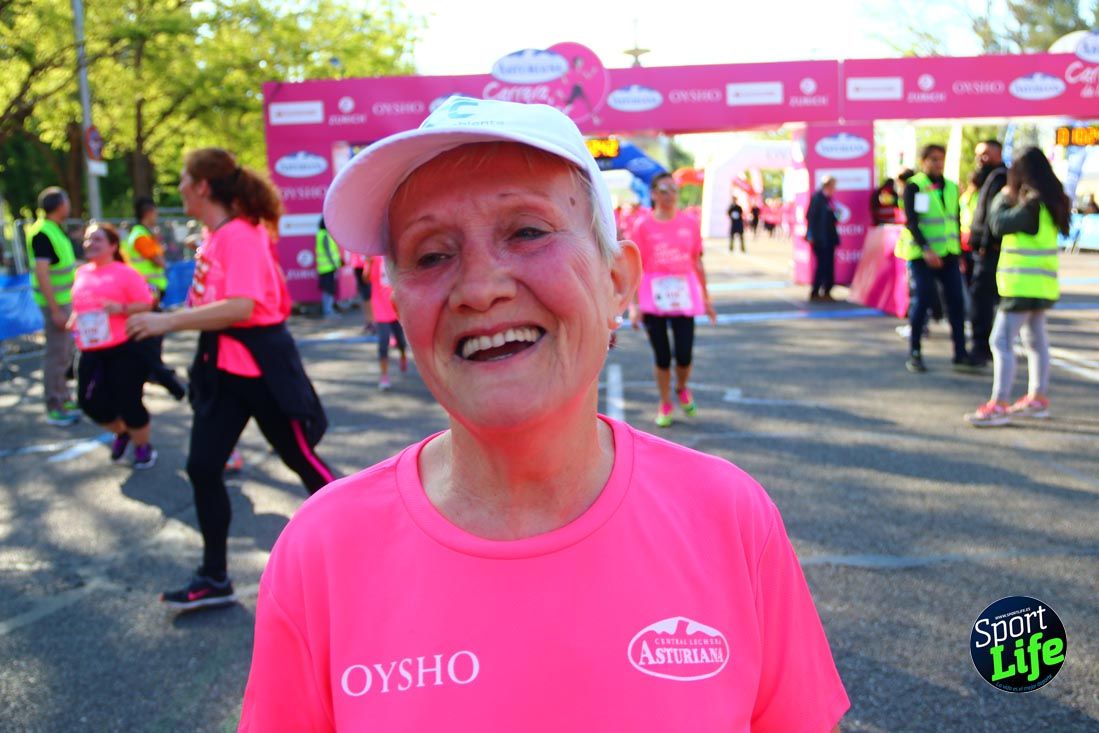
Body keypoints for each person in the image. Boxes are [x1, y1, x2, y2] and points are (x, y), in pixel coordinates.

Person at [238, 96, 847, 733]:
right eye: (430, 254)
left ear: (617, 279)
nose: (479, 288)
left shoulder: (730, 518)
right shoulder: (321, 553)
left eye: (528, 232)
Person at [126, 147, 337, 611]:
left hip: (261, 369)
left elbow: (242, 308)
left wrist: (164, 323)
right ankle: (215, 576)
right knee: (203, 468)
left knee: (302, 460)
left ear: (202, 186)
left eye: (183, 178)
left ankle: (373, 541)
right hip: (223, 369)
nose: (178, 186)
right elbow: (213, 306)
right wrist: (162, 316)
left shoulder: (239, 234)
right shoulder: (215, 235)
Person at [965, 148, 1068, 427]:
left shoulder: (1030, 203)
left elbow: (998, 224)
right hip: (1042, 283)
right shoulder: (1051, 201)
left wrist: (1002, 198)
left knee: (1001, 340)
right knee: (1035, 340)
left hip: (1021, 283)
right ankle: (1037, 398)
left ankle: (999, 404)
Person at [629, 172, 717, 427]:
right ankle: (665, 401)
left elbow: (696, 261)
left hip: (684, 296)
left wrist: (707, 299)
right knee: (662, 356)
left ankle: (681, 387)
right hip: (653, 297)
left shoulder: (689, 223)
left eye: (674, 189)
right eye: (664, 189)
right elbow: (636, 266)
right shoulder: (642, 226)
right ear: (654, 194)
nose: (670, 195)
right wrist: (634, 306)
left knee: (685, 354)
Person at [69, 223, 158, 468]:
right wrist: (74, 319)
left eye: (97, 239)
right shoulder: (82, 272)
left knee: (128, 402)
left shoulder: (125, 272)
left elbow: (147, 303)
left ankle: (143, 446)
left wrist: (121, 309)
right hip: (89, 348)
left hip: (123, 348)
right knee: (89, 402)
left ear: (113, 246)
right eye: (88, 239)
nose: (90, 244)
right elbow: (81, 306)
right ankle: (123, 432)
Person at [895, 144, 970, 373]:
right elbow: (912, 222)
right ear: (924, 160)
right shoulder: (915, 186)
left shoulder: (950, 187)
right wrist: (927, 250)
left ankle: (960, 353)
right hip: (923, 256)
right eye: (933, 159)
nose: (938, 163)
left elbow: (954, 221)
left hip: (948, 254)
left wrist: (959, 254)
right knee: (923, 301)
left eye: (941, 159)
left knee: (956, 303)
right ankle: (915, 351)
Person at [123, 197, 187, 399]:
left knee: (153, 332)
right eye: (155, 212)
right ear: (147, 213)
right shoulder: (140, 236)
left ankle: (155, 368)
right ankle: (154, 370)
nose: (157, 216)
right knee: (152, 331)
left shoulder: (145, 234)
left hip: (152, 290)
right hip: (147, 291)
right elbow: (158, 260)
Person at [25, 187, 78, 426]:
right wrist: (55, 310)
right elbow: (43, 273)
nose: (69, 205)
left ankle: (63, 396)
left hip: (64, 302)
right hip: (55, 304)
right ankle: (54, 404)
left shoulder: (53, 230)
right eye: (66, 200)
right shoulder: (43, 233)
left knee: (65, 352)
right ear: (59, 206)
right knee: (56, 354)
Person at [965, 140, 1008, 368]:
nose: (981, 158)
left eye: (985, 153)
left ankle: (981, 348)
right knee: (985, 298)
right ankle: (989, 345)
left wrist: (986, 242)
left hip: (989, 249)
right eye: (978, 154)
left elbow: (995, 215)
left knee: (982, 298)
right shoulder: (986, 178)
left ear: (998, 152)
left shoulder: (1001, 177)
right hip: (981, 247)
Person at [368, 254, 407, 390]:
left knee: (401, 341)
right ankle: (384, 376)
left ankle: (403, 355)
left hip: (394, 306)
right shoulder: (374, 258)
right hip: (380, 308)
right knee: (383, 343)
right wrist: (368, 263)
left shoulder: (394, 257)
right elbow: (366, 278)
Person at [806, 177, 840, 302]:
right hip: (820, 239)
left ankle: (826, 290)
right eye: (833, 186)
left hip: (829, 237)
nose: (835, 189)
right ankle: (816, 290)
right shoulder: (818, 198)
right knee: (822, 265)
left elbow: (833, 218)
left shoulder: (829, 200)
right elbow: (811, 217)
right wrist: (811, 236)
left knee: (828, 265)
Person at [315, 216, 343, 317]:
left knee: (327, 290)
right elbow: (328, 252)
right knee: (329, 290)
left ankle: (327, 310)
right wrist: (335, 264)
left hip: (324, 268)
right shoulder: (325, 235)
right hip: (328, 267)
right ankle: (328, 311)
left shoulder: (320, 234)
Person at [346, 249, 375, 333]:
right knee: (366, 295)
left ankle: (373, 322)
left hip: (365, 262)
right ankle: (370, 322)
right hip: (361, 263)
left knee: (369, 295)